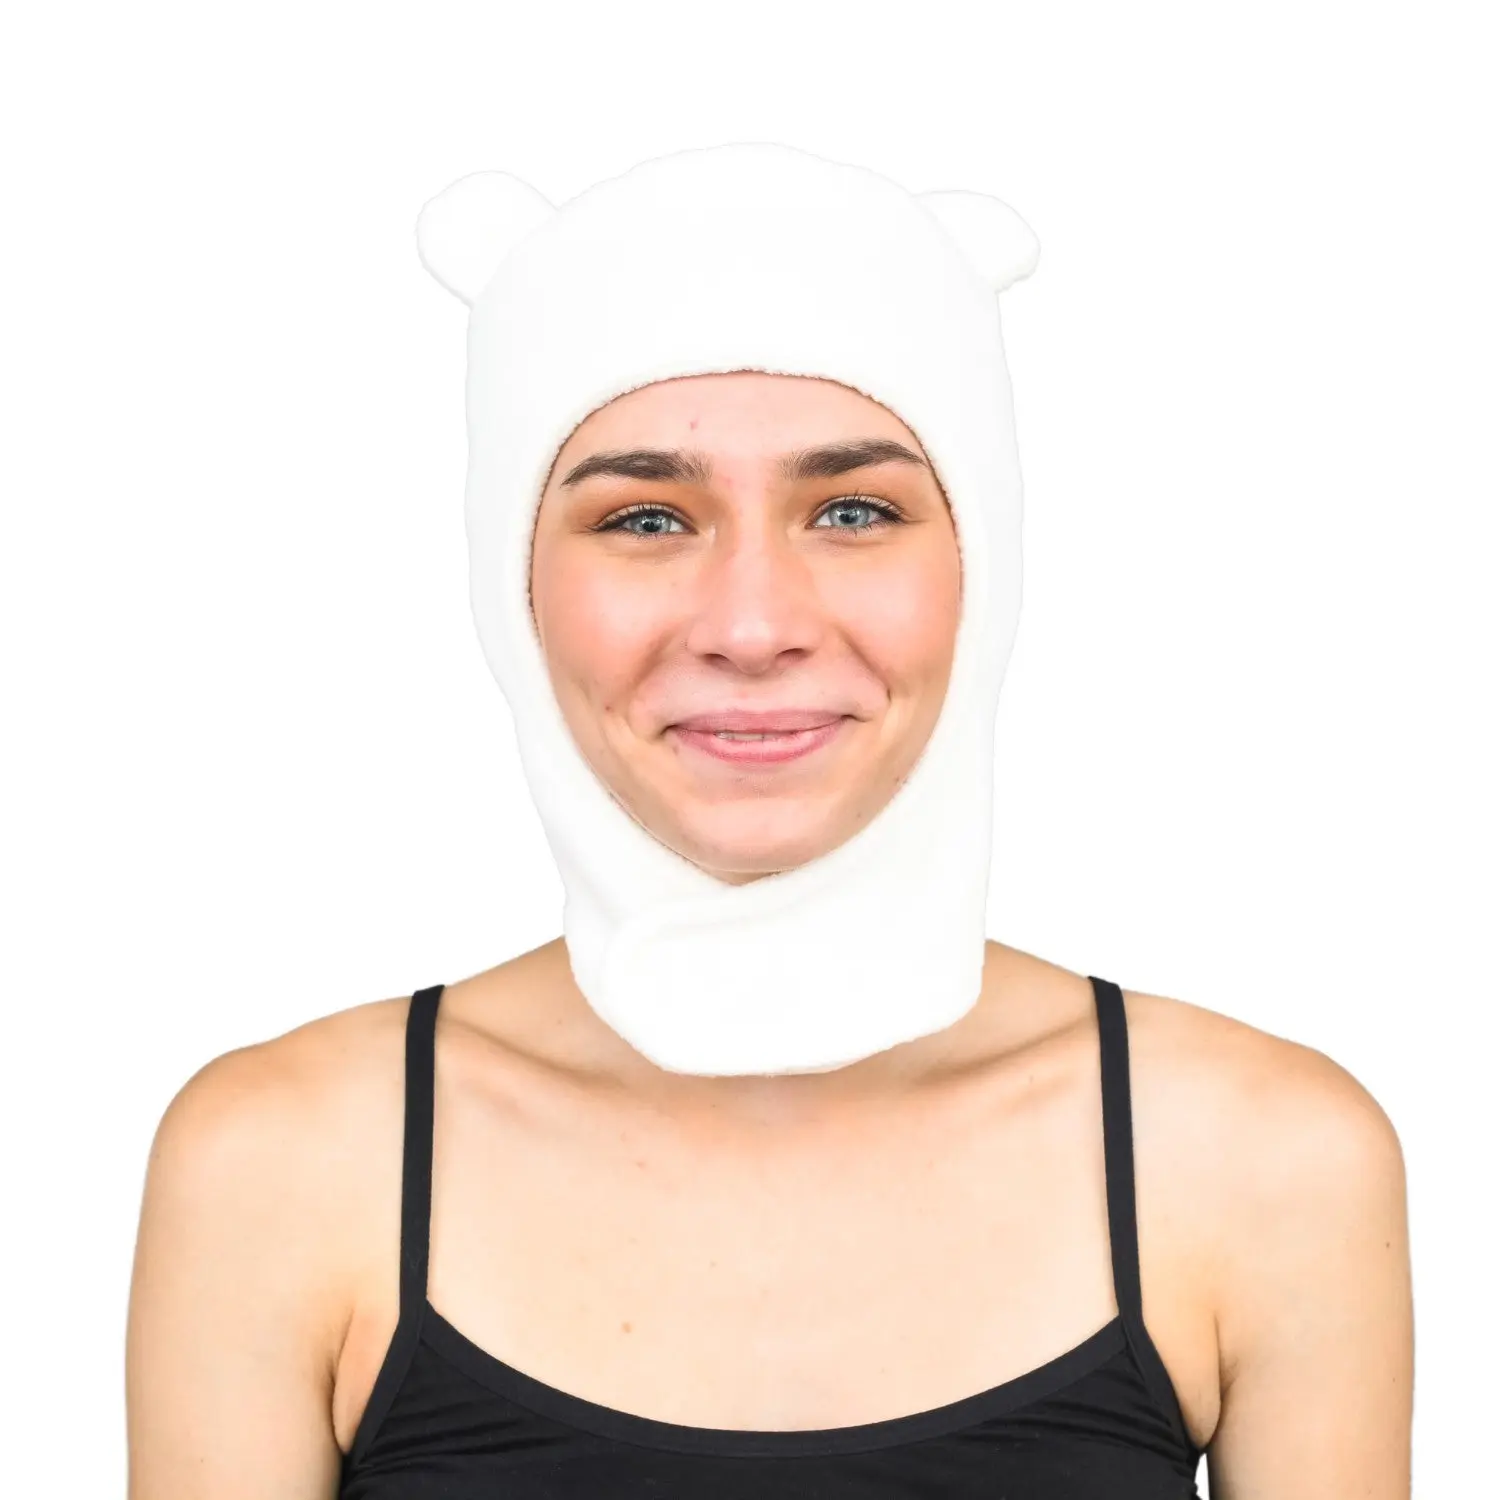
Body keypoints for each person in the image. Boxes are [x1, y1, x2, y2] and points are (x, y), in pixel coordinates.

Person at [125, 145, 1414, 1498]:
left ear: (984, 561)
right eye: (645, 518)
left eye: (853, 510)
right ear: (513, 582)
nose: (751, 626)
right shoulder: (283, 1165)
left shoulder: (1262, 1160)